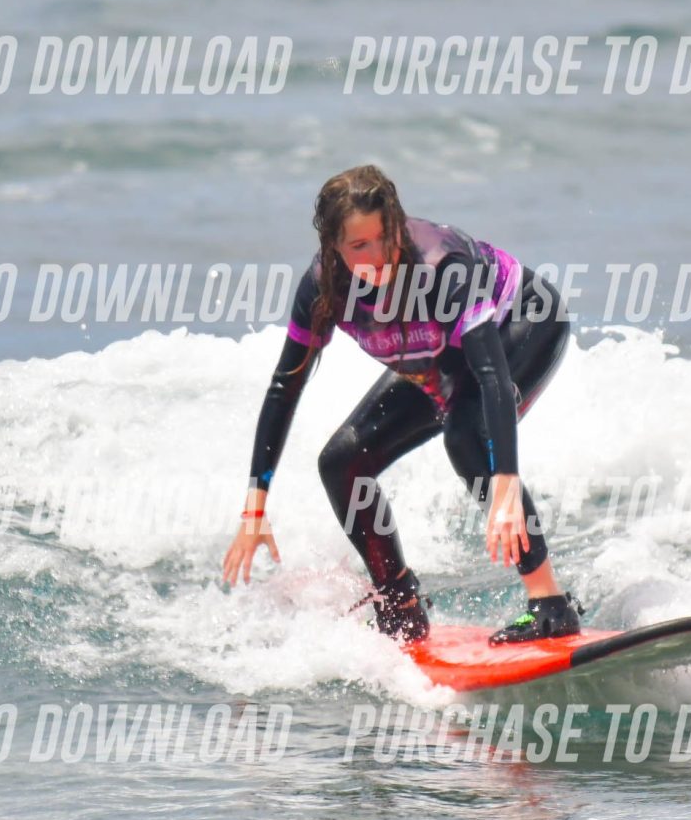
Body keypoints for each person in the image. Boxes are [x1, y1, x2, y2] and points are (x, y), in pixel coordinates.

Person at [220, 164, 579, 645]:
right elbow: (285, 386)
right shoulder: (323, 290)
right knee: (342, 461)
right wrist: (254, 508)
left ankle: (550, 604)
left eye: (384, 238)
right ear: (333, 247)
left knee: (466, 436)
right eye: (358, 246)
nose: (377, 257)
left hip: (523, 325)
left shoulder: (442, 266)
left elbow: (490, 374)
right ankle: (400, 604)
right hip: (438, 355)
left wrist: (506, 481)